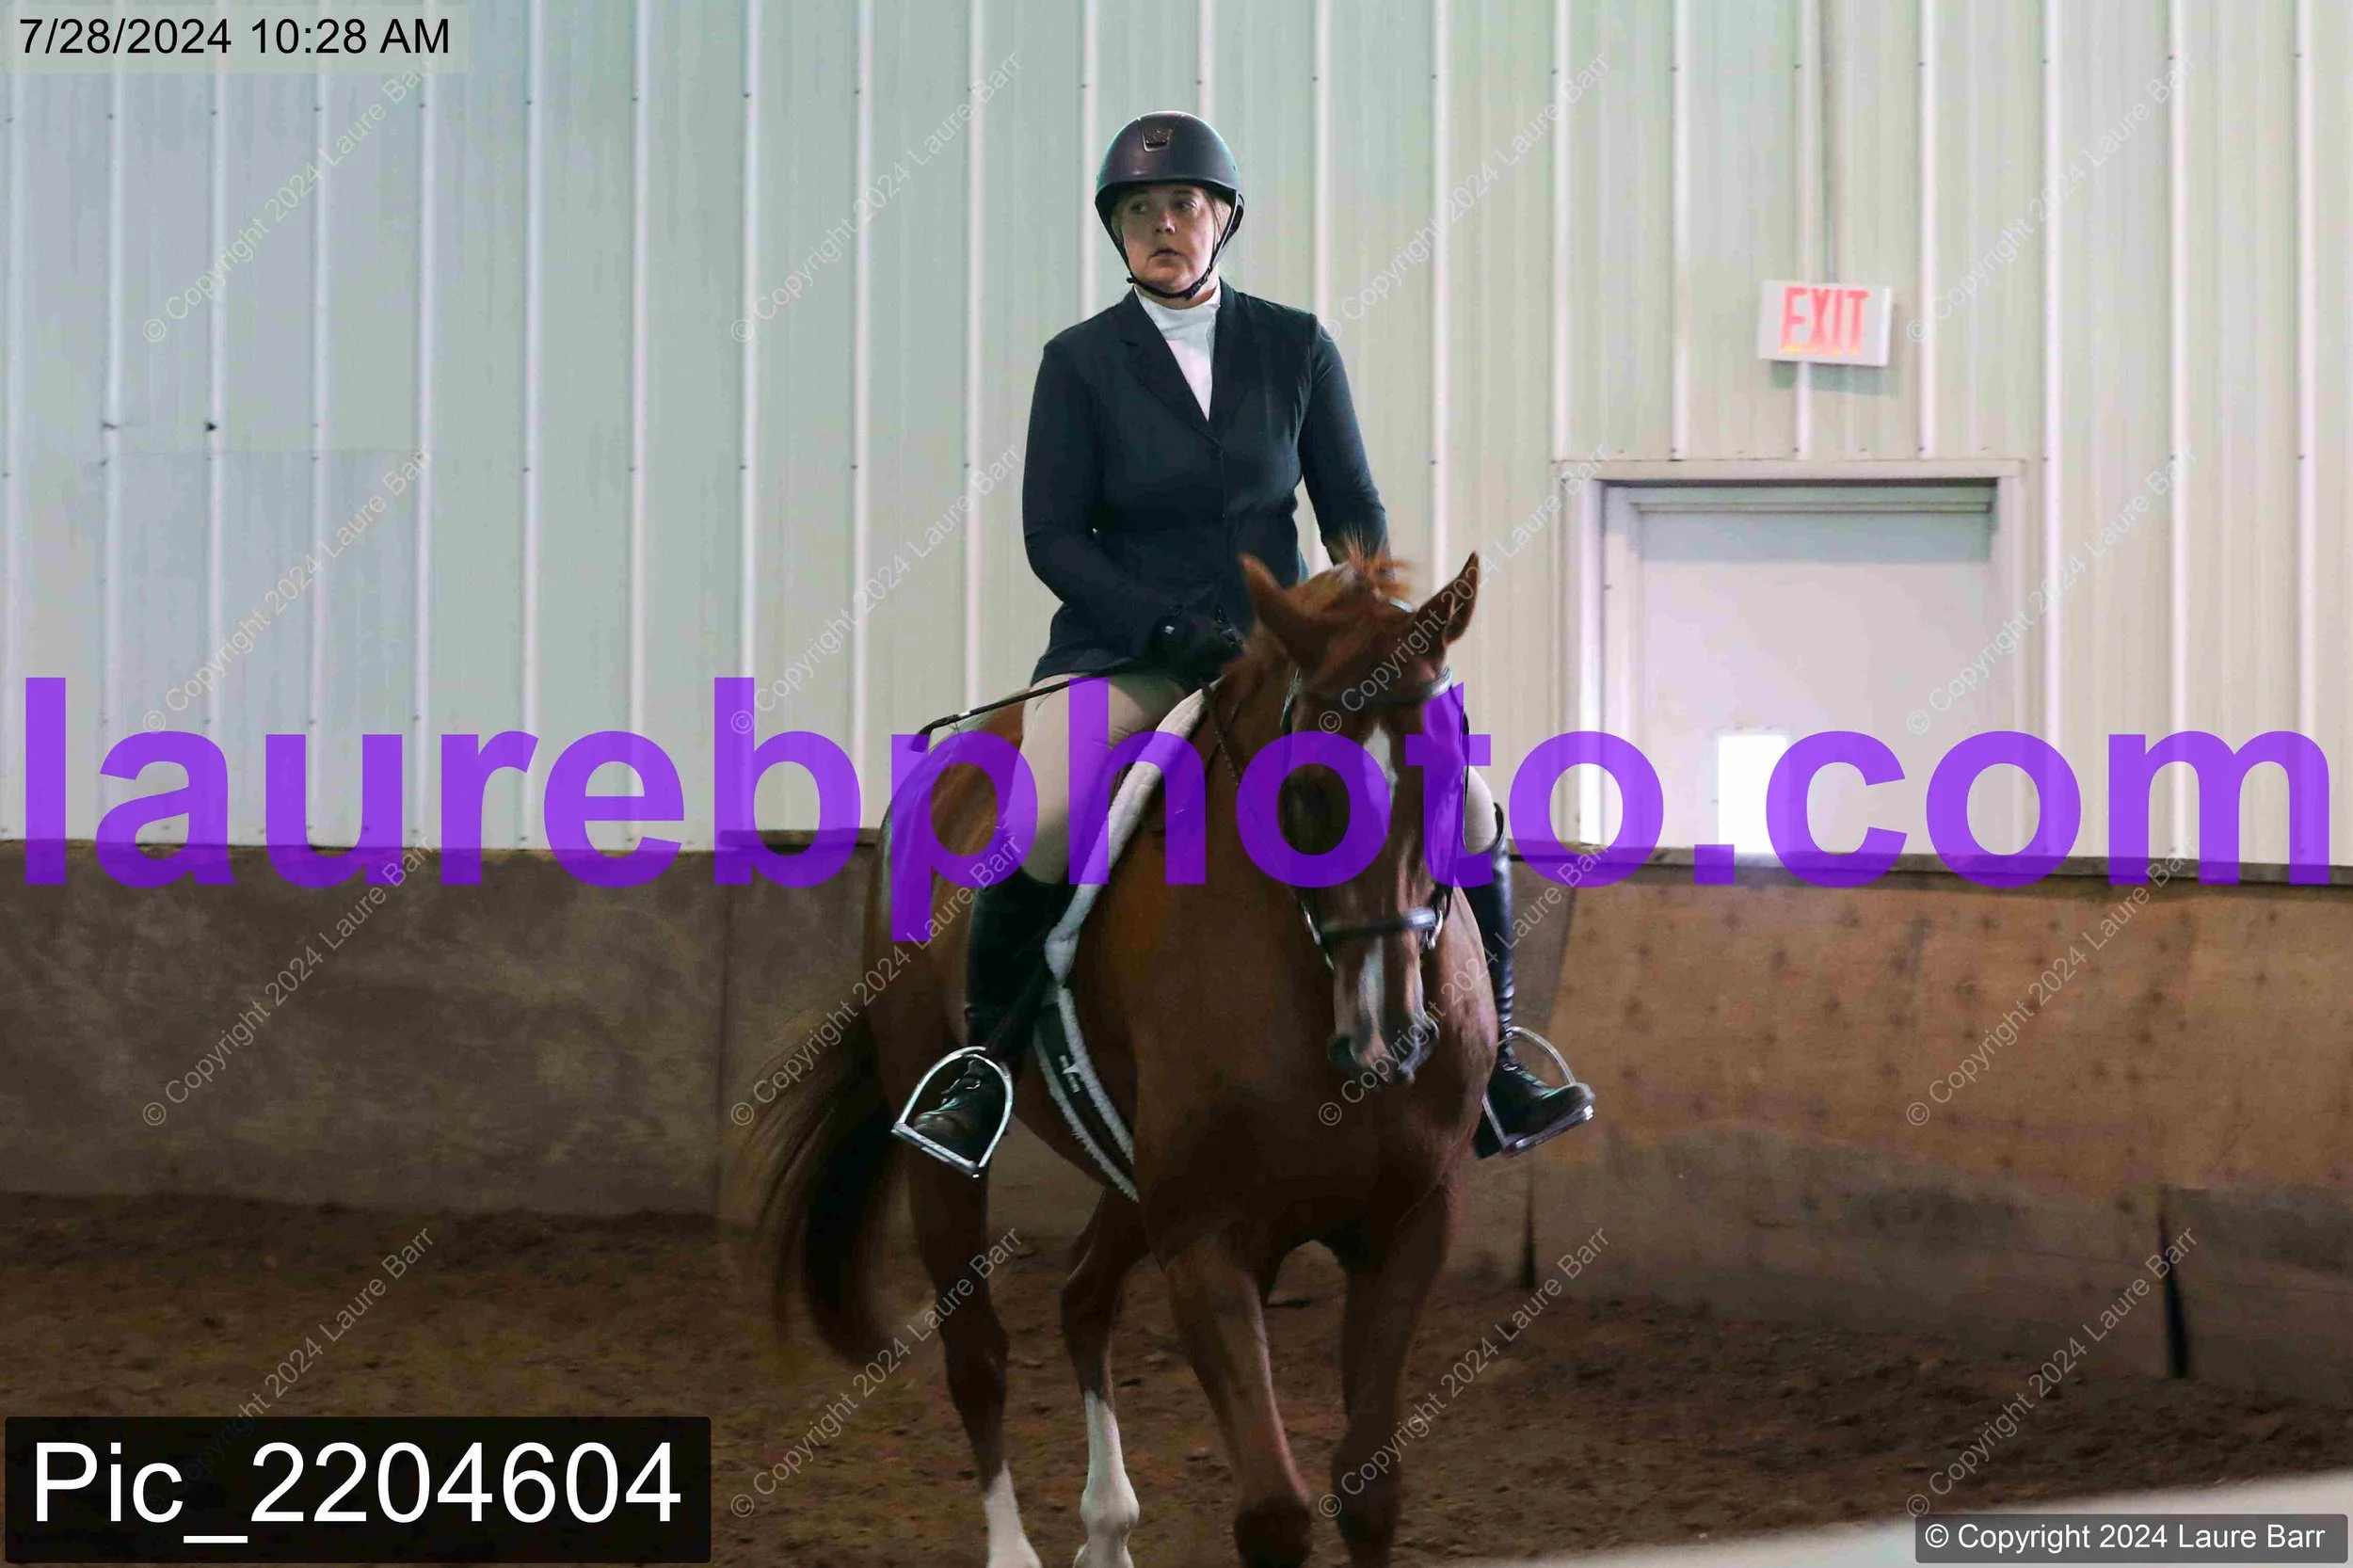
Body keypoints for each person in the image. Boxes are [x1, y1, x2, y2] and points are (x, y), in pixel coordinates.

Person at [893, 110, 1593, 1175]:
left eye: (1182, 203)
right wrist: (1158, 622)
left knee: (1475, 807)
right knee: (1046, 809)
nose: (1161, 224)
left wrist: (1356, 624)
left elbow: (1352, 509)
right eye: (1138, 210)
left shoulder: (1295, 345)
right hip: (1128, 654)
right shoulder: (1079, 364)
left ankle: (1497, 1067)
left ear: (1222, 218)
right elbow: (1053, 536)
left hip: (1284, 652)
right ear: (1117, 231)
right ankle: (981, 1069)